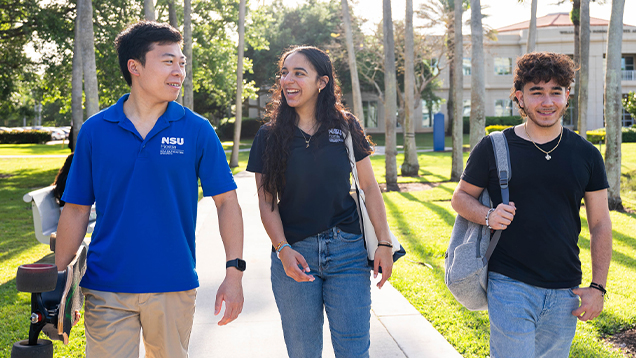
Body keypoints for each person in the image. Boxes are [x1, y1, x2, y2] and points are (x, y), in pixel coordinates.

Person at [55, 21, 245, 357]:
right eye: (168, 61)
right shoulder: (95, 131)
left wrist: (234, 272)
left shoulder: (197, 130)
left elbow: (227, 203)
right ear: (135, 67)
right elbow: (76, 208)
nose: (179, 71)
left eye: (182, 62)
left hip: (173, 284)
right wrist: (60, 284)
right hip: (105, 285)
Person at [451, 52, 612, 357]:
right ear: (519, 98)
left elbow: (601, 223)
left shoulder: (587, 154)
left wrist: (598, 287)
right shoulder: (494, 146)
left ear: (568, 95)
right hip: (509, 283)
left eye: (555, 91)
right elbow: (459, 197)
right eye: (536, 92)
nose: (547, 101)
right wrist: (488, 215)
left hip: (566, 290)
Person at [247, 46, 394, 358]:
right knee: (303, 353)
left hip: (348, 253)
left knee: (354, 351)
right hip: (294, 254)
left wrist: (384, 243)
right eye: (284, 72)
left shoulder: (344, 126)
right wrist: (282, 249)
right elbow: (265, 200)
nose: (288, 79)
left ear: (322, 82)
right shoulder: (269, 135)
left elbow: (368, 186)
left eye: (299, 73)